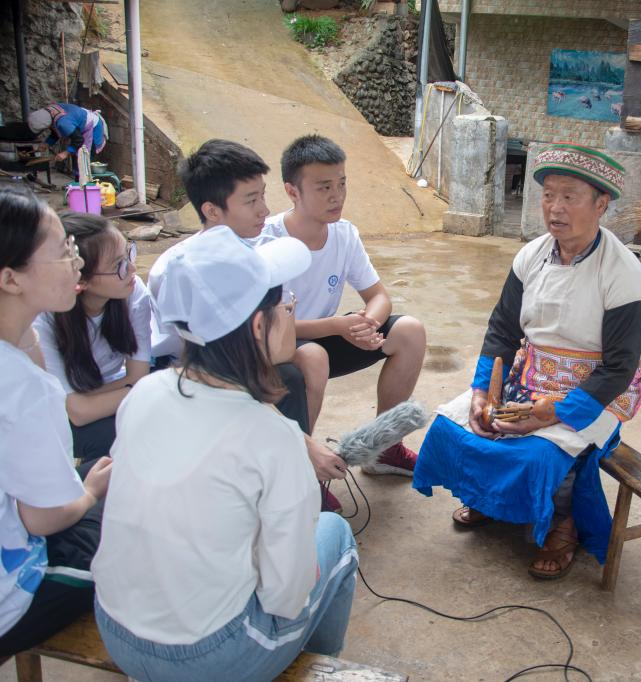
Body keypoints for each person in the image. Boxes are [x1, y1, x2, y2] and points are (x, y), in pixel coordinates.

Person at [92, 227, 359, 682]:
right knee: (335, 534)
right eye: (284, 306)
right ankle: (314, 667)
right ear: (258, 327)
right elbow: (286, 597)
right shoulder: (274, 436)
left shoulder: (144, 393)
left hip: (116, 630)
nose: (289, 312)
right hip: (209, 658)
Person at [412, 143, 641, 579]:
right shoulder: (531, 255)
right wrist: (483, 391)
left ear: (601, 204)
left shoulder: (624, 274)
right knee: (457, 426)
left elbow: (619, 367)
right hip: (530, 374)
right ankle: (490, 500)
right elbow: (503, 331)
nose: (555, 208)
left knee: (541, 453)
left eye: (569, 197)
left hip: (597, 389)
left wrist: (550, 413)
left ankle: (563, 525)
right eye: (548, 195)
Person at [147, 139, 347, 491]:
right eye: (251, 200)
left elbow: (271, 351)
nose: (264, 210)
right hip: (187, 371)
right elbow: (215, 369)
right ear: (212, 210)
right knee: (277, 383)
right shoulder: (179, 270)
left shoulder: (262, 253)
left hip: (231, 365)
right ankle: (287, 480)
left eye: (263, 196)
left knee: (292, 373)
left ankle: (292, 475)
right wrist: (302, 443)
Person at [259, 134, 426, 476]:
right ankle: (302, 469)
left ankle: (384, 449)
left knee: (410, 331)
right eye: (324, 187)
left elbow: (379, 296)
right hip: (277, 346)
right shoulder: (268, 241)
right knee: (313, 357)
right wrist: (337, 326)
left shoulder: (344, 234)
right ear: (292, 191)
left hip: (325, 337)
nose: (337, 195)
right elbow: (268, 325)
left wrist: (367, 325)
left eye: (342, 184)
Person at [0, 188, 112, 657]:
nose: (77, 263)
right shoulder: (23, 387)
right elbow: (42, 518)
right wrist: (90, 492)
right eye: (65, 251)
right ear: (11, 278)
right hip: (11, 604)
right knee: (122, 507)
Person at [33, 212, 151, 462]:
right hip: (55, 414)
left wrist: (137, 387)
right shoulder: (44, 318)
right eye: (118, 266)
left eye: (129, 253)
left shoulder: (132, 293)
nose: (132, 269)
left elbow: (138, 376)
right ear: (81, 279)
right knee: (116, 435)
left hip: (101, 392)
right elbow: (77, 413)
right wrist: (142, 389)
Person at [27, 102, 108, 163]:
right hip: (79, 123)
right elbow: (56, 132)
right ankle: (78, 179)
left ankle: (85, 181)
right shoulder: (50, 112)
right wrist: (47, 143)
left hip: (93, 126)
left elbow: (79, 140)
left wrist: (65, 153)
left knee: (84, 161)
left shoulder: (63, 123)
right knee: (77, 159)